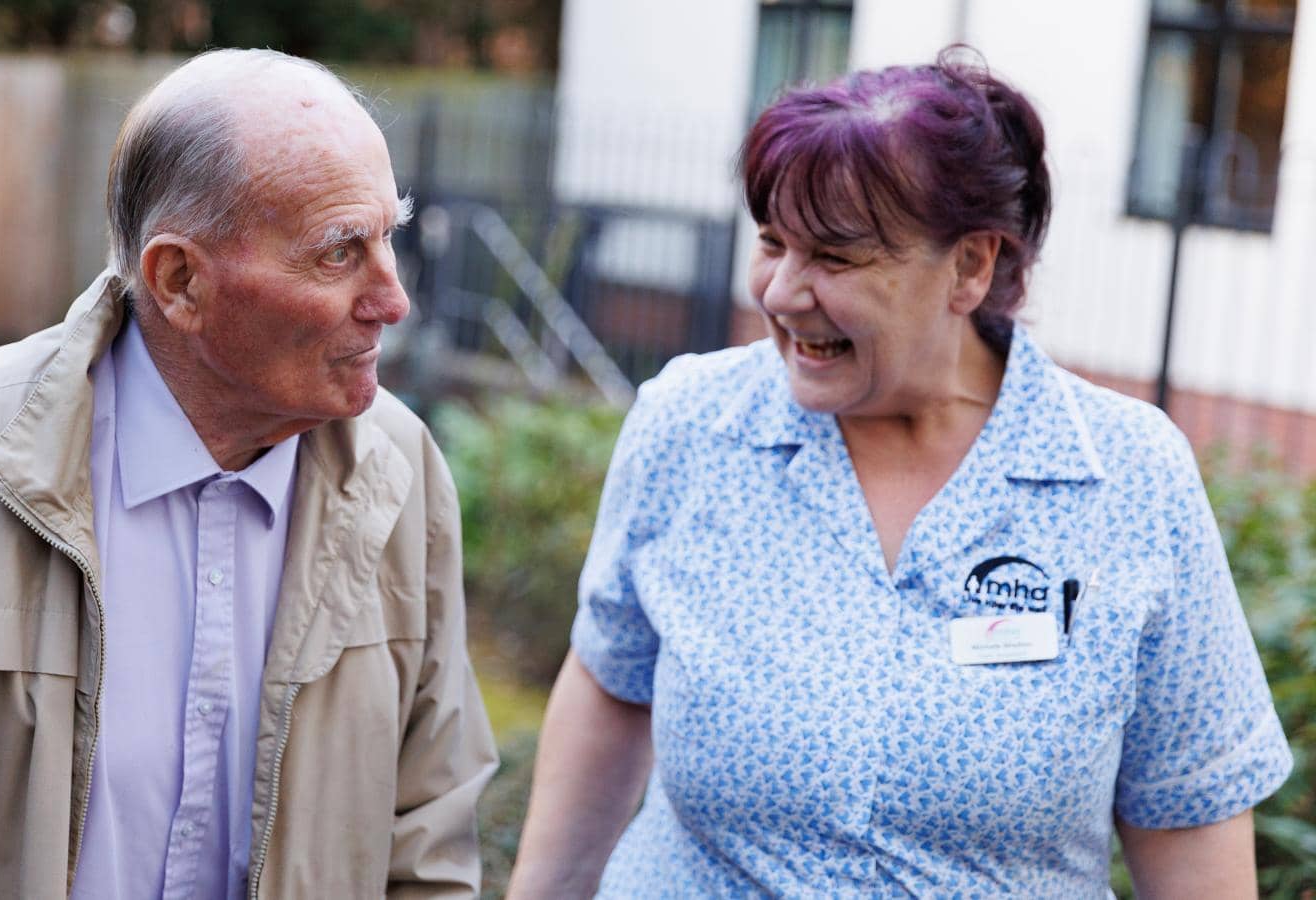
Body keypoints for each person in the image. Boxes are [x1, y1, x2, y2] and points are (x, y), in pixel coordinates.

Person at [0, 49, 497, 898]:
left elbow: (428, 849)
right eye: (340, 253)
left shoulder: (401, 473)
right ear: (180, 281)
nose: (394, 299)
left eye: (390, 238)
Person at [508, 51, 1292, 898]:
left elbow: (1190, 809)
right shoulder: (692, 427)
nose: (784, 292)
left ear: (970, 267)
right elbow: (611, 683)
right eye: (773, 243)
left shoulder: (1128, 478)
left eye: (837, 258)